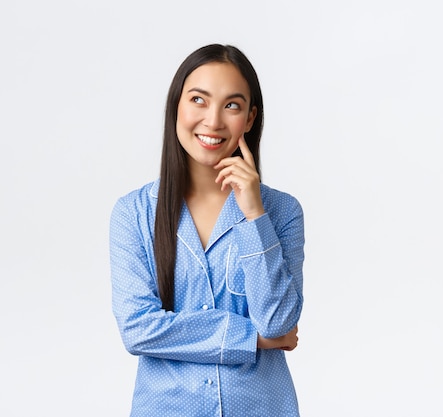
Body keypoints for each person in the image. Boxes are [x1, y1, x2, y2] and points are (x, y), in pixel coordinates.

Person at [109, 43, 305, 416]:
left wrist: (253, 216)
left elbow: (279, 323)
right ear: (177, 107)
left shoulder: (281, 212)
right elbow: (138, 328)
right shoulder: (133, 214)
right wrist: (252, 339)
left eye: (231, 105)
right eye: (199, 99)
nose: (213, 121)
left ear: (249, 118)